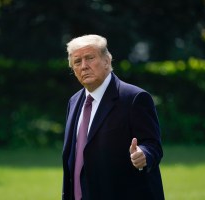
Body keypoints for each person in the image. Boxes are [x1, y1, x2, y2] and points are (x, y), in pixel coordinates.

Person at [62, 34, 164, 200]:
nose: (84, 66)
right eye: (77, 61)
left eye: (89, 58)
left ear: (107, 61)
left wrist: (143, 154)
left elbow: (153, 145)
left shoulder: (134, 98)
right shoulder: (74, 101)